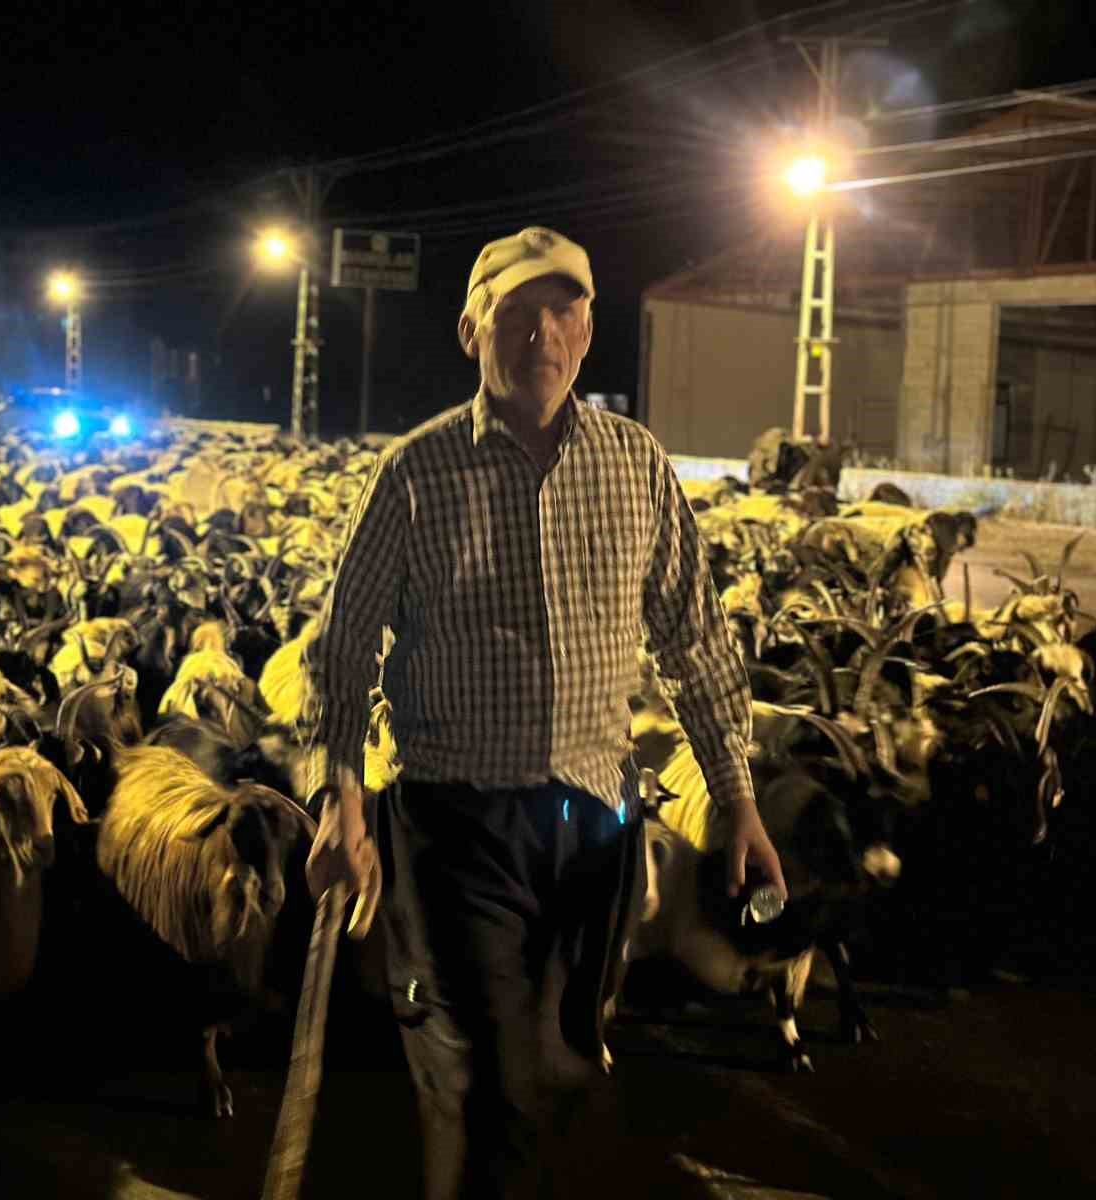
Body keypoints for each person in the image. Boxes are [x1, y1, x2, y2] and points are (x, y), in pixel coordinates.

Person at [303, 226, 787, 1200]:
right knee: (493, 1079)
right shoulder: (414, 473)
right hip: (457, 819)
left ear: (590, 325)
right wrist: (338, 795)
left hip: (596, 823)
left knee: (566, 1060)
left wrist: (735, 797)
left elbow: (693, 639)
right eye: (516, 312)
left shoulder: (636, 464)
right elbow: (343, 653)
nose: (541, 334)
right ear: (469, 327)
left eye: (563, 309)